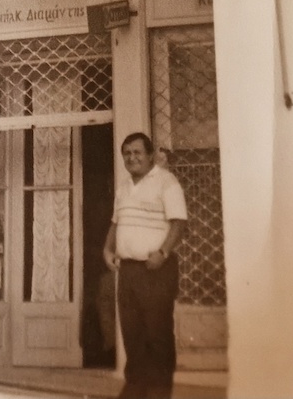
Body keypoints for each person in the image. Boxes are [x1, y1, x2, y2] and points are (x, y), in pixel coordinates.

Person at [103, 132, 187, 399]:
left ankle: (160, 393)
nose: (132, 157)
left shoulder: (166, 182)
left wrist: (163, 252)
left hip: (156, 271)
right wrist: (107, 249)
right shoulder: (124, 187)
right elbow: (117, 223)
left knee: (157, 334)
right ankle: (135, 391)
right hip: (128, 271)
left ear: (151, 155)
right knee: (132, 334)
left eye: (138, 152)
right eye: (127, 153)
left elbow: (179, 222)